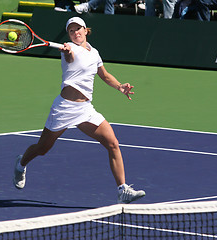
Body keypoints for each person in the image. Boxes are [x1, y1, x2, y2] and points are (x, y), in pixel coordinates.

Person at [13, 17, 146, 204]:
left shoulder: (95, 53)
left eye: (78, 29)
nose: (75, 33)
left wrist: (120, 87)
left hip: (85, 109)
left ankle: (122, 190)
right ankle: (21, 164)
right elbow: (70, 57)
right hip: (64, 108)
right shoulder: (69, 49)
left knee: (113, 143)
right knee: (42, 148)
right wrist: (67, 51)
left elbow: (105, 75)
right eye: (71, 31)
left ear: (85, 30)